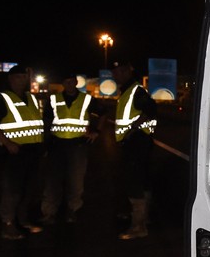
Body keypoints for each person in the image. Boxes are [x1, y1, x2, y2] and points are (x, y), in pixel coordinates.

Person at [0, 64, 46, 240]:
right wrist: (7, 142)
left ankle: (23, 220)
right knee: (12, 190)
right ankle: (8, 224)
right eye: (19, 77)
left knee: (29, 189)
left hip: (33, 151)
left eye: (24, 77)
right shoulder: (2, 99)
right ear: (11, 79)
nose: (23, 80)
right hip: (14, 152)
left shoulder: (31, 98)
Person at [39, 74, 102, 225]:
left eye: (71, 81)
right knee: (53, 180)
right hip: (56, 145)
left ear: (75, 82)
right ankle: (49, 212)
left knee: (76, 180)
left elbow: (103, 114)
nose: (68, 84)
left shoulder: (86, 99)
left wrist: (97, 132)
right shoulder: (54, 99)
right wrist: (44, 142)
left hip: (78, 145)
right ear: (63, 83)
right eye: (65, 81)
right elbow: (46, 122)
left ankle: (72, 210)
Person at [109, 59, 157, 239]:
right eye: (114, 73)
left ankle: (138, 226)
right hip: (136, 142)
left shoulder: (135, 91)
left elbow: (151, 109)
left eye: (118, 72)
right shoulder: (127, 91)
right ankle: (144, 219)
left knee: (135, 181)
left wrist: (133, 129)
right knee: (142, 180)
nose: (115, 76)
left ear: (127, 72)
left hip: (137, 143)